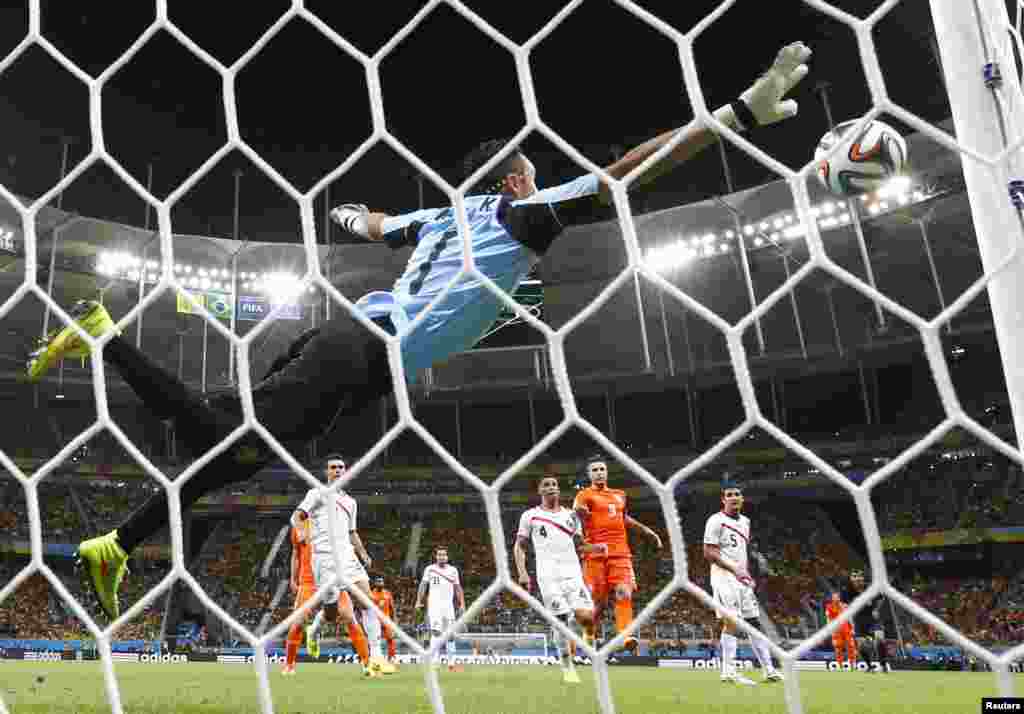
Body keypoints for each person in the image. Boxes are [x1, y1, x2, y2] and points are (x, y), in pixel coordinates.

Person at [29, 42, 812, 620]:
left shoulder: (448, 214)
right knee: (211, 427)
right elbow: (622, 175)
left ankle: (119, 543)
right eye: (532, 172)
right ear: (513, 181)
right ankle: (102, 333)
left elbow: (378, 224)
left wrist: (348, 215)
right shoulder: (515, 213)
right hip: (363, 349)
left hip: (350, 349)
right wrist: (732, 118)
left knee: (234, 447)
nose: (540, 182)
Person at [289, 454, 391, 677]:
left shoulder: (350, 502)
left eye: (341, 467)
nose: (337, 470)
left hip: (348, 556)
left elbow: (352, 532)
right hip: (324, 560)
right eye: (333, 467)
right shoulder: (316, 494)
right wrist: (302, 530)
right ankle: (315, 629)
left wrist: (363, 552)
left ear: (346, 471)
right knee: (332, 612)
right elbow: (296, 516)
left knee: (368, 602)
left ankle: (377, 655)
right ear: (327, 472)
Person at [514, 475, 604, 683]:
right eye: (546, 485)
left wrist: (597, 548)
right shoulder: (530, 516)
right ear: (540, 490)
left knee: (587, 618)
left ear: (559, 490)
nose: (551, 487)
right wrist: (522, 572)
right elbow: (519, 546)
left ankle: (586, 639)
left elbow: (581, 545)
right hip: (548, 576)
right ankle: (567, 665)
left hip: (572, 574)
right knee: (561, 620)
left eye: (554, 484)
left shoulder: (571, 516)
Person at [572, 455, 662, 651]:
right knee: (598, 603)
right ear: (589, 474)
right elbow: (577, 512)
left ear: (607, 472)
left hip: (620, 553)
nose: (599, 473)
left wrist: (648, 532)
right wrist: (580, 518)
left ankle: (625, 636)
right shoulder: (584, 495)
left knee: (624, 592)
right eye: (594, 470)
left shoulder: (619, 495)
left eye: (602, 469)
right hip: (595, 554)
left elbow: (624, 518)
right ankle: (587, 634)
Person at [702, 483, 783, 684]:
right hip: (723, 577)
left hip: (741, 580)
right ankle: (728, 672)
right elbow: (708, 552)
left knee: (754, 623)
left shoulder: (746, 522)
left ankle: (769, 670)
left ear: (742, 498)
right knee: (733, 622)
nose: (734, 497)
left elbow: (741, 553)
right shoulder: (716, 521)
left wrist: (745, 573)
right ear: (723, 500)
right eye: (729, 495)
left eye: (737, 494)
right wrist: (735, 570)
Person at [415, 547, 465, 671]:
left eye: (444, 555)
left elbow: (458, 588)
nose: (441, 557)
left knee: (450, 635)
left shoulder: (453, 570)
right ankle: (435, 662)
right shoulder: (430, 569)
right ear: (436, 556)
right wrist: (418, 601)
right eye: (439, 555)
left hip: (448, 606)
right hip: (434, 606)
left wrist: (462, 604)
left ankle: (451, 664)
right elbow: (423, 585)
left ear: (447, 557)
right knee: (436, 632)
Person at [281, 521, 315, 676]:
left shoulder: (333, 521)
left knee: (348, 615)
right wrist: (293, 578)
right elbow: (295, 554)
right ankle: (289, 664)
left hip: (331, 580)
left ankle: (368, 662)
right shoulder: (299, 526)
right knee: (298, 622)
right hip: (308, 581)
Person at [843, 570, 891, 673]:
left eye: (859, 576)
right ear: (851, 579)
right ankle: (869, 667)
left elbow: (881, 598)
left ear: (863, 578)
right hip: (858, 620)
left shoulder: (871, 588)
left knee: (880, 638)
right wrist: (850, 619)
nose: (857, 578)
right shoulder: (847, 591)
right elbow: (845, 606)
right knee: (861, 644)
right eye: (854, 576)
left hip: (872, 619)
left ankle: (883, 665)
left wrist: (876, 609)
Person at [368, 576, 398, 666]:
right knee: (375, 640)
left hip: (386, 620)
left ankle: (392, 658)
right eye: (378, 581)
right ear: (375, 583)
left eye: (381, 581)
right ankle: (375, 658)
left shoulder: (387, 593)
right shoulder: (371, 594)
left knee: (390, 639)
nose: (380, 583)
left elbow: (392, 608)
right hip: (375, 621)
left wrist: (394, 621)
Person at [824, 592, 856, 669]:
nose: (835, 598)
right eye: (834, 597)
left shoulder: (845, 606)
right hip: (836, 630)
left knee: (851, 646)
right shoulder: (829, 607)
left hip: (846, 629)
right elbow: (828, 619)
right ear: (832, 598)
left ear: (839, 598)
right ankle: (840, 665)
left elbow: (849, 617)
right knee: (838, 648)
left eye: (837, 597)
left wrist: (852, 628)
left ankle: (852, 664)